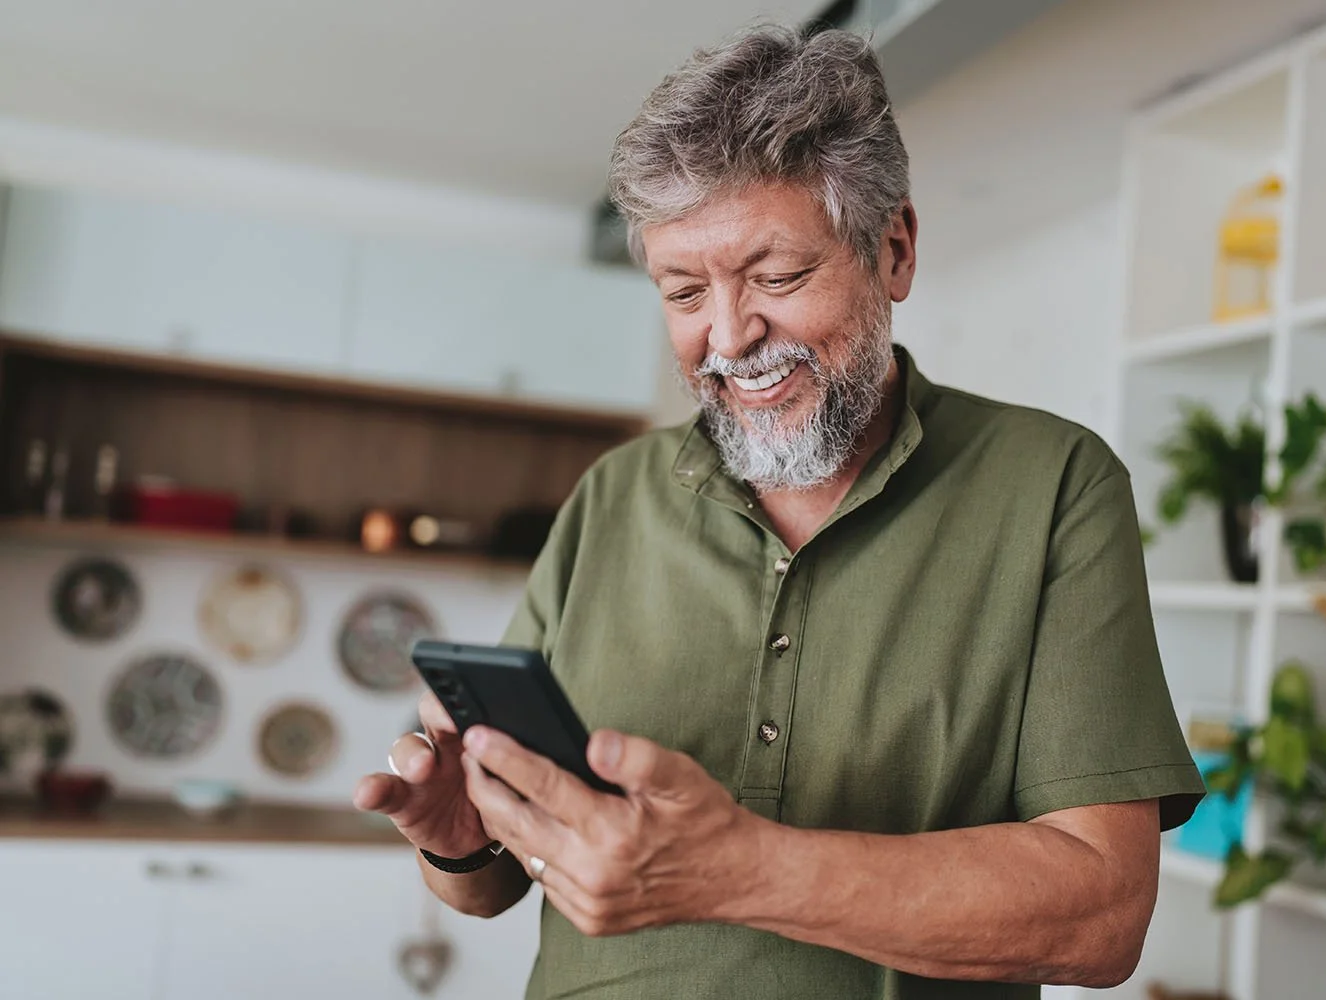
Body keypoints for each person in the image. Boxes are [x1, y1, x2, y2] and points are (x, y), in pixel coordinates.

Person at [353, 23, 1204, 1000]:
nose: (728, 336)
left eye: (777, 277)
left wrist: (743, 867)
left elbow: (1100, 916)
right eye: (683, 290)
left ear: (894, 250)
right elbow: (498, 881)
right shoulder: (611, 497)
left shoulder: (1052, 484)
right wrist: (461, 846)